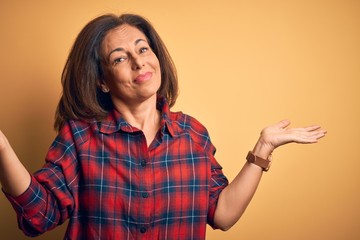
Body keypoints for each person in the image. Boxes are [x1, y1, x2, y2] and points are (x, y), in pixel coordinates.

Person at [0, 13, 326, 239]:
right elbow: (39, 218)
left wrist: (263, 148)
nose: (139, 61)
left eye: (143, 48)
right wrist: (2, 147)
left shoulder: (193, 135)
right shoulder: (80, 138)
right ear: (102, 81)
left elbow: (223, 215)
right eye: (120, 58)